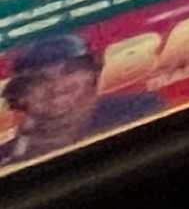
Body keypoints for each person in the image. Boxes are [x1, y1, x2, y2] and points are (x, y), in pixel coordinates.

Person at [1, 32, 164, 164]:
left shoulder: (138, 109)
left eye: (70, 71)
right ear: (19, 97)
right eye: (39, 80)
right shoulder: (6, 155)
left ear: (93, 73)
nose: (57, 87)